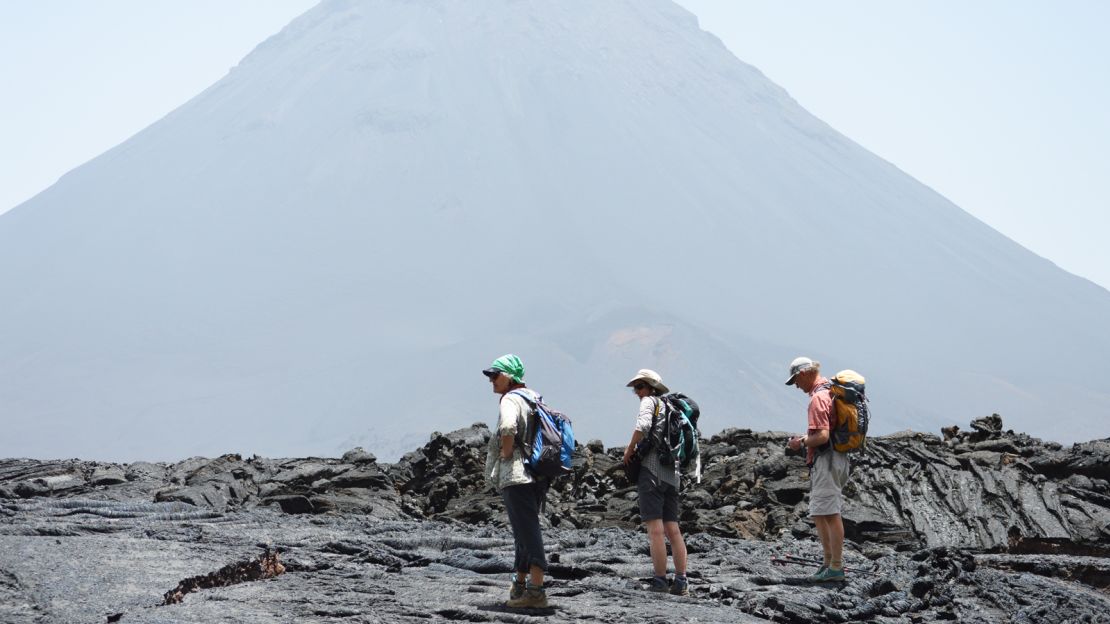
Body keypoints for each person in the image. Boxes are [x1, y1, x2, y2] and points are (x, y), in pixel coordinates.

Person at [482, 354, 550, 608]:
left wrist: (506, 453)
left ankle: (536, 591)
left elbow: (508, 428)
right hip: (536, 474)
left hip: (517, 474)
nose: (491, 381)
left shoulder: (510, 399)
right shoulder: (533, 397)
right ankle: (519, 584)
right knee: (523, 531)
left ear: (509, 377)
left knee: (528, 532)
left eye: (495, 375)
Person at [621, 369, 689, 595]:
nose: (637, 393)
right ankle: (681, 581)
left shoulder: (649, 402)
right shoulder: (672, 407)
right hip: (673, 473)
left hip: (652, 471)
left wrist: (629, 451)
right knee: (674, 529)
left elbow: (642, 427)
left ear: (651, 388)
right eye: (636, 389)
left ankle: (660, 581)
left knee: (656, 530)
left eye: (640, 387)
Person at [785, 356, 850, 582]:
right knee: (821, 513)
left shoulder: (818, 398)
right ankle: (828, 563)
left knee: (830, 513)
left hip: (828, 460)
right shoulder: (828, 392)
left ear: (804, 373)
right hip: (835, 458)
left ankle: (836, 567)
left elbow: (821, 436)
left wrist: (800, 443)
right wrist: (805, 438)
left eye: (795, 380)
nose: (796, 385)